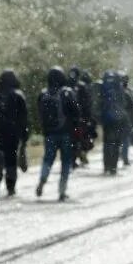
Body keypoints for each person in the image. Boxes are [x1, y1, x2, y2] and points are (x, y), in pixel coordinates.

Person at [36, 67, 80, 201]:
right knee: (66, 161)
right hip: (65, 133)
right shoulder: (67, 93)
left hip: (49, 134)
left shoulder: (43, 94)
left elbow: (39, 114)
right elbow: (76, 113)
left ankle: (43, 179)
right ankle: (62, 191)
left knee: (48, 159)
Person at [0, 70, 29, 197]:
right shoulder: (18, 96)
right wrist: (24, 137)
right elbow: (24, 118)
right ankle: (10, 186)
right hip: (13, 134)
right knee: (11, 161)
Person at [99, 69, 127, 175]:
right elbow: (123, 104)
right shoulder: (119, 88)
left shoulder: (103, 87)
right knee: (116, 143)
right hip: (118, 120)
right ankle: (113, 167)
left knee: (106, 143)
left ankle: (106, 166)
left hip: (106, 120)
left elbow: (99, 103)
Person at [67, 66, 94, 166]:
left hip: (69, 119)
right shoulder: (82, 86)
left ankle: (73, 159)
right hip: (81, 118)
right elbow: (87, 103)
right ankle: (81, 154)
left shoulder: (66, 86)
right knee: (82, 138)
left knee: (72, 139)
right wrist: (88, 117)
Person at [121, 73, 133, 167]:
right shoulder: (128, 92)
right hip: (125, 119)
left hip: (115, 119)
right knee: (125, 139)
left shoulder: (114, 92)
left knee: (115, 140)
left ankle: (116, 157)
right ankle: (125, 158)